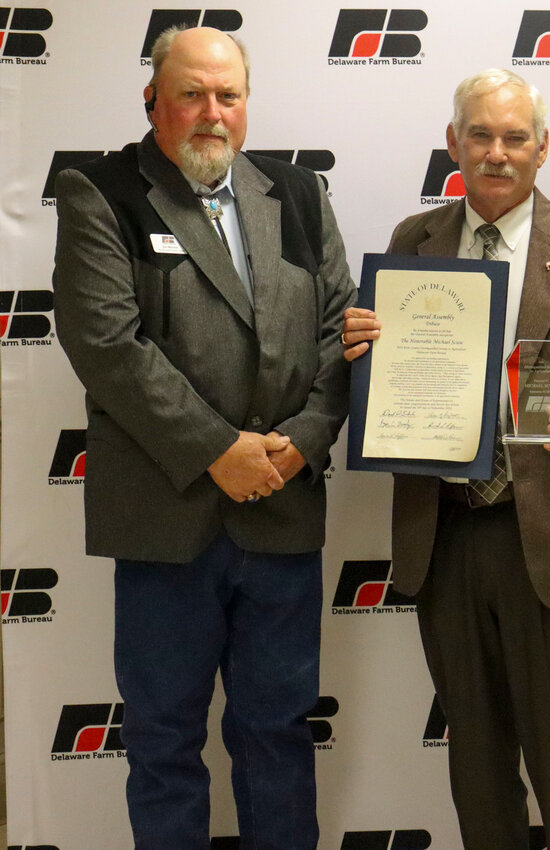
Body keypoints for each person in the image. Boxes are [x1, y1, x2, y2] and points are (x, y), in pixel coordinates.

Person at [342, 69, 550, 850]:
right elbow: (384, 381)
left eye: (514, 137)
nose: (496, 153)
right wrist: (361, 352)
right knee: (477, 763)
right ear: (452, 142)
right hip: (446, 536)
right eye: (480, 136)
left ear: (542, 148)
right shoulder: (411, 241)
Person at [53, 26, 355, 850]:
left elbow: (339, 337)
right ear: (153, 100)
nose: (211, 113)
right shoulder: (102, 193)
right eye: (191, 93)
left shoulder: (296, 194)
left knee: (278, 736)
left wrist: (298, 442)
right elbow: (109, 348)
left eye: (228, 95)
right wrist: (220, 451)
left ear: (246, 104)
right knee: (162, 744)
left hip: (282, 516)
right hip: (167, 524)